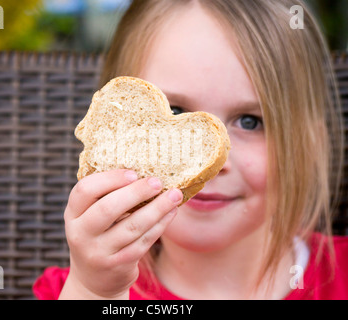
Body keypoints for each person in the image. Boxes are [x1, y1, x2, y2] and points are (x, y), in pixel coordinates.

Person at [33, 0, 348, 300]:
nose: (212, 161)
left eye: (250, 122)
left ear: (309, 142)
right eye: (175, 112)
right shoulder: (77, 288)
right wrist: (96, 292)